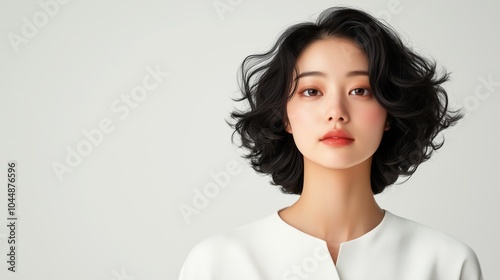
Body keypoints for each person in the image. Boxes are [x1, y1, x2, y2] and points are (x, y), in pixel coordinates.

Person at [178, 6, 483, 279]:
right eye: (312, 91)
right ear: (285, 115)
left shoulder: (447, 264)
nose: (336, 112)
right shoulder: (218, 264)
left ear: (389, 113)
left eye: (360, 90)